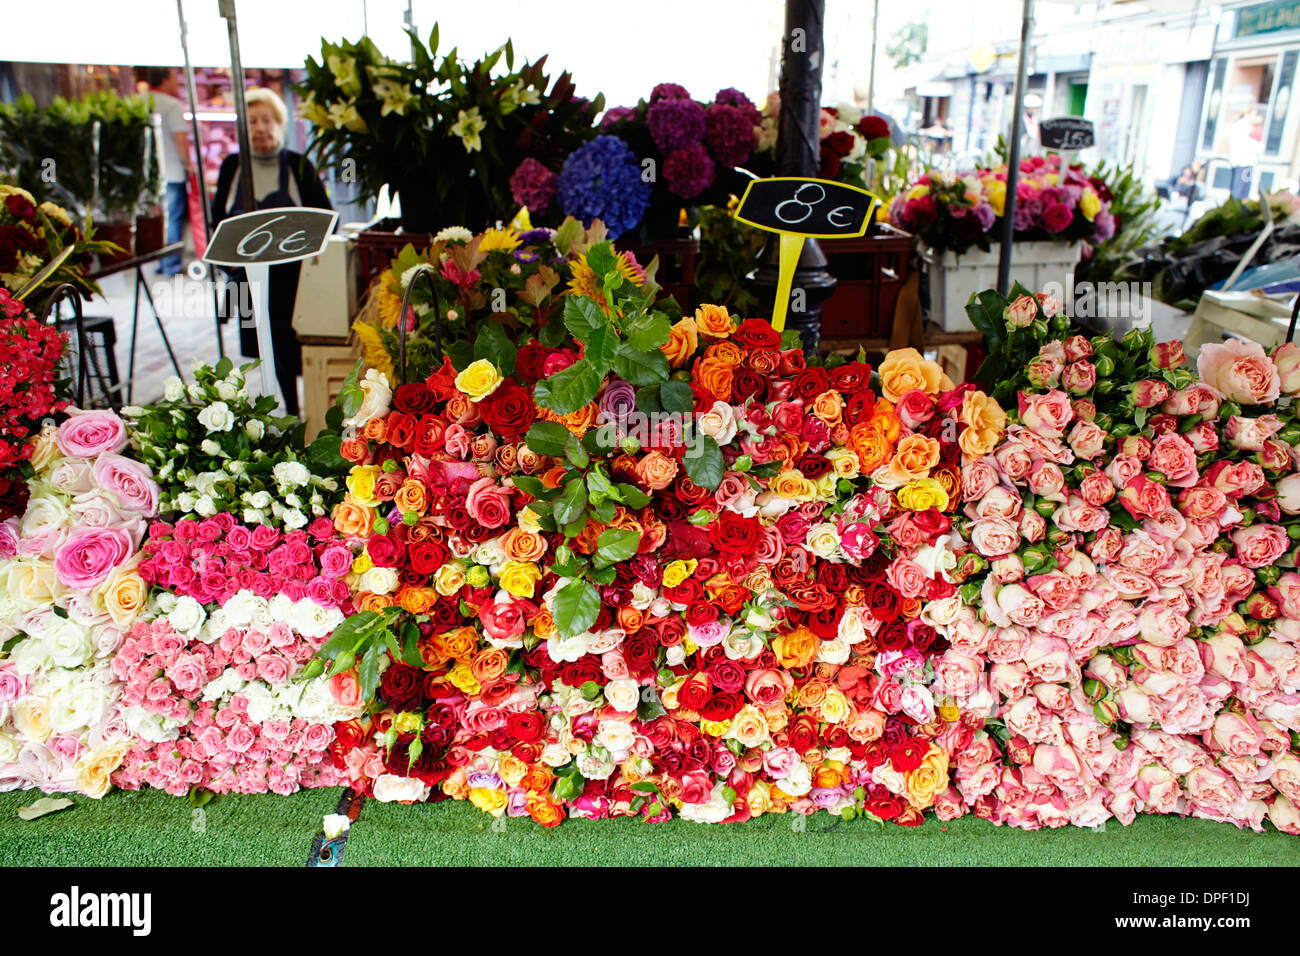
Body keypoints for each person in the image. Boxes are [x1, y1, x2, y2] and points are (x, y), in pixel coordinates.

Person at [211, 87, 331, 418]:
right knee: (267, 349)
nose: (260, 128)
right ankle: (283, 410)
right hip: (248, 276)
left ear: (280, 124)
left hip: (295, 278)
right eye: (252, 121)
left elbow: (325, 218)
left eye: (267, 120)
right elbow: (217, 221)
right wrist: (228, 267)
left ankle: (311, 408)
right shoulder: (232, 167)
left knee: (296, 347)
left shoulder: (298, 165)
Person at [146, 67, 195, 276]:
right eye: (175, 78)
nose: (177, 83)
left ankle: (159, 262)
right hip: (172, 172)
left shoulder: (140, 101)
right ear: (165, 80)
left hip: (148, 175)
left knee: (155, 218)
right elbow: (180, 139)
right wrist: (189, 165)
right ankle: (171, 266)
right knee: (172, 219)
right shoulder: (172, 105)